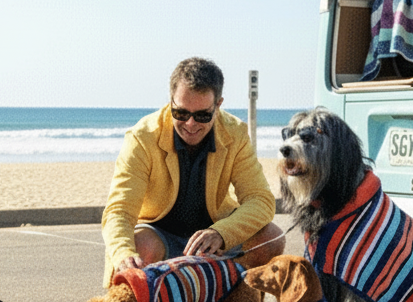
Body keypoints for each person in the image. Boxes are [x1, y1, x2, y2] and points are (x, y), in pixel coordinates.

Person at [102, 57, 284, 285]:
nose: (190, 124)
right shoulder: (142, 137)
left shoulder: (235, 133)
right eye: (180, 113)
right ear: (171, 101)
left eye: (202, 115)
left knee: (272, 238)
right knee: (141, 249)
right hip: (159, 234)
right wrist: (123, 254)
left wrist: (222, 233)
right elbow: (119, 210)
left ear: (218, 105)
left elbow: (261, 199)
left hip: (214, 236)